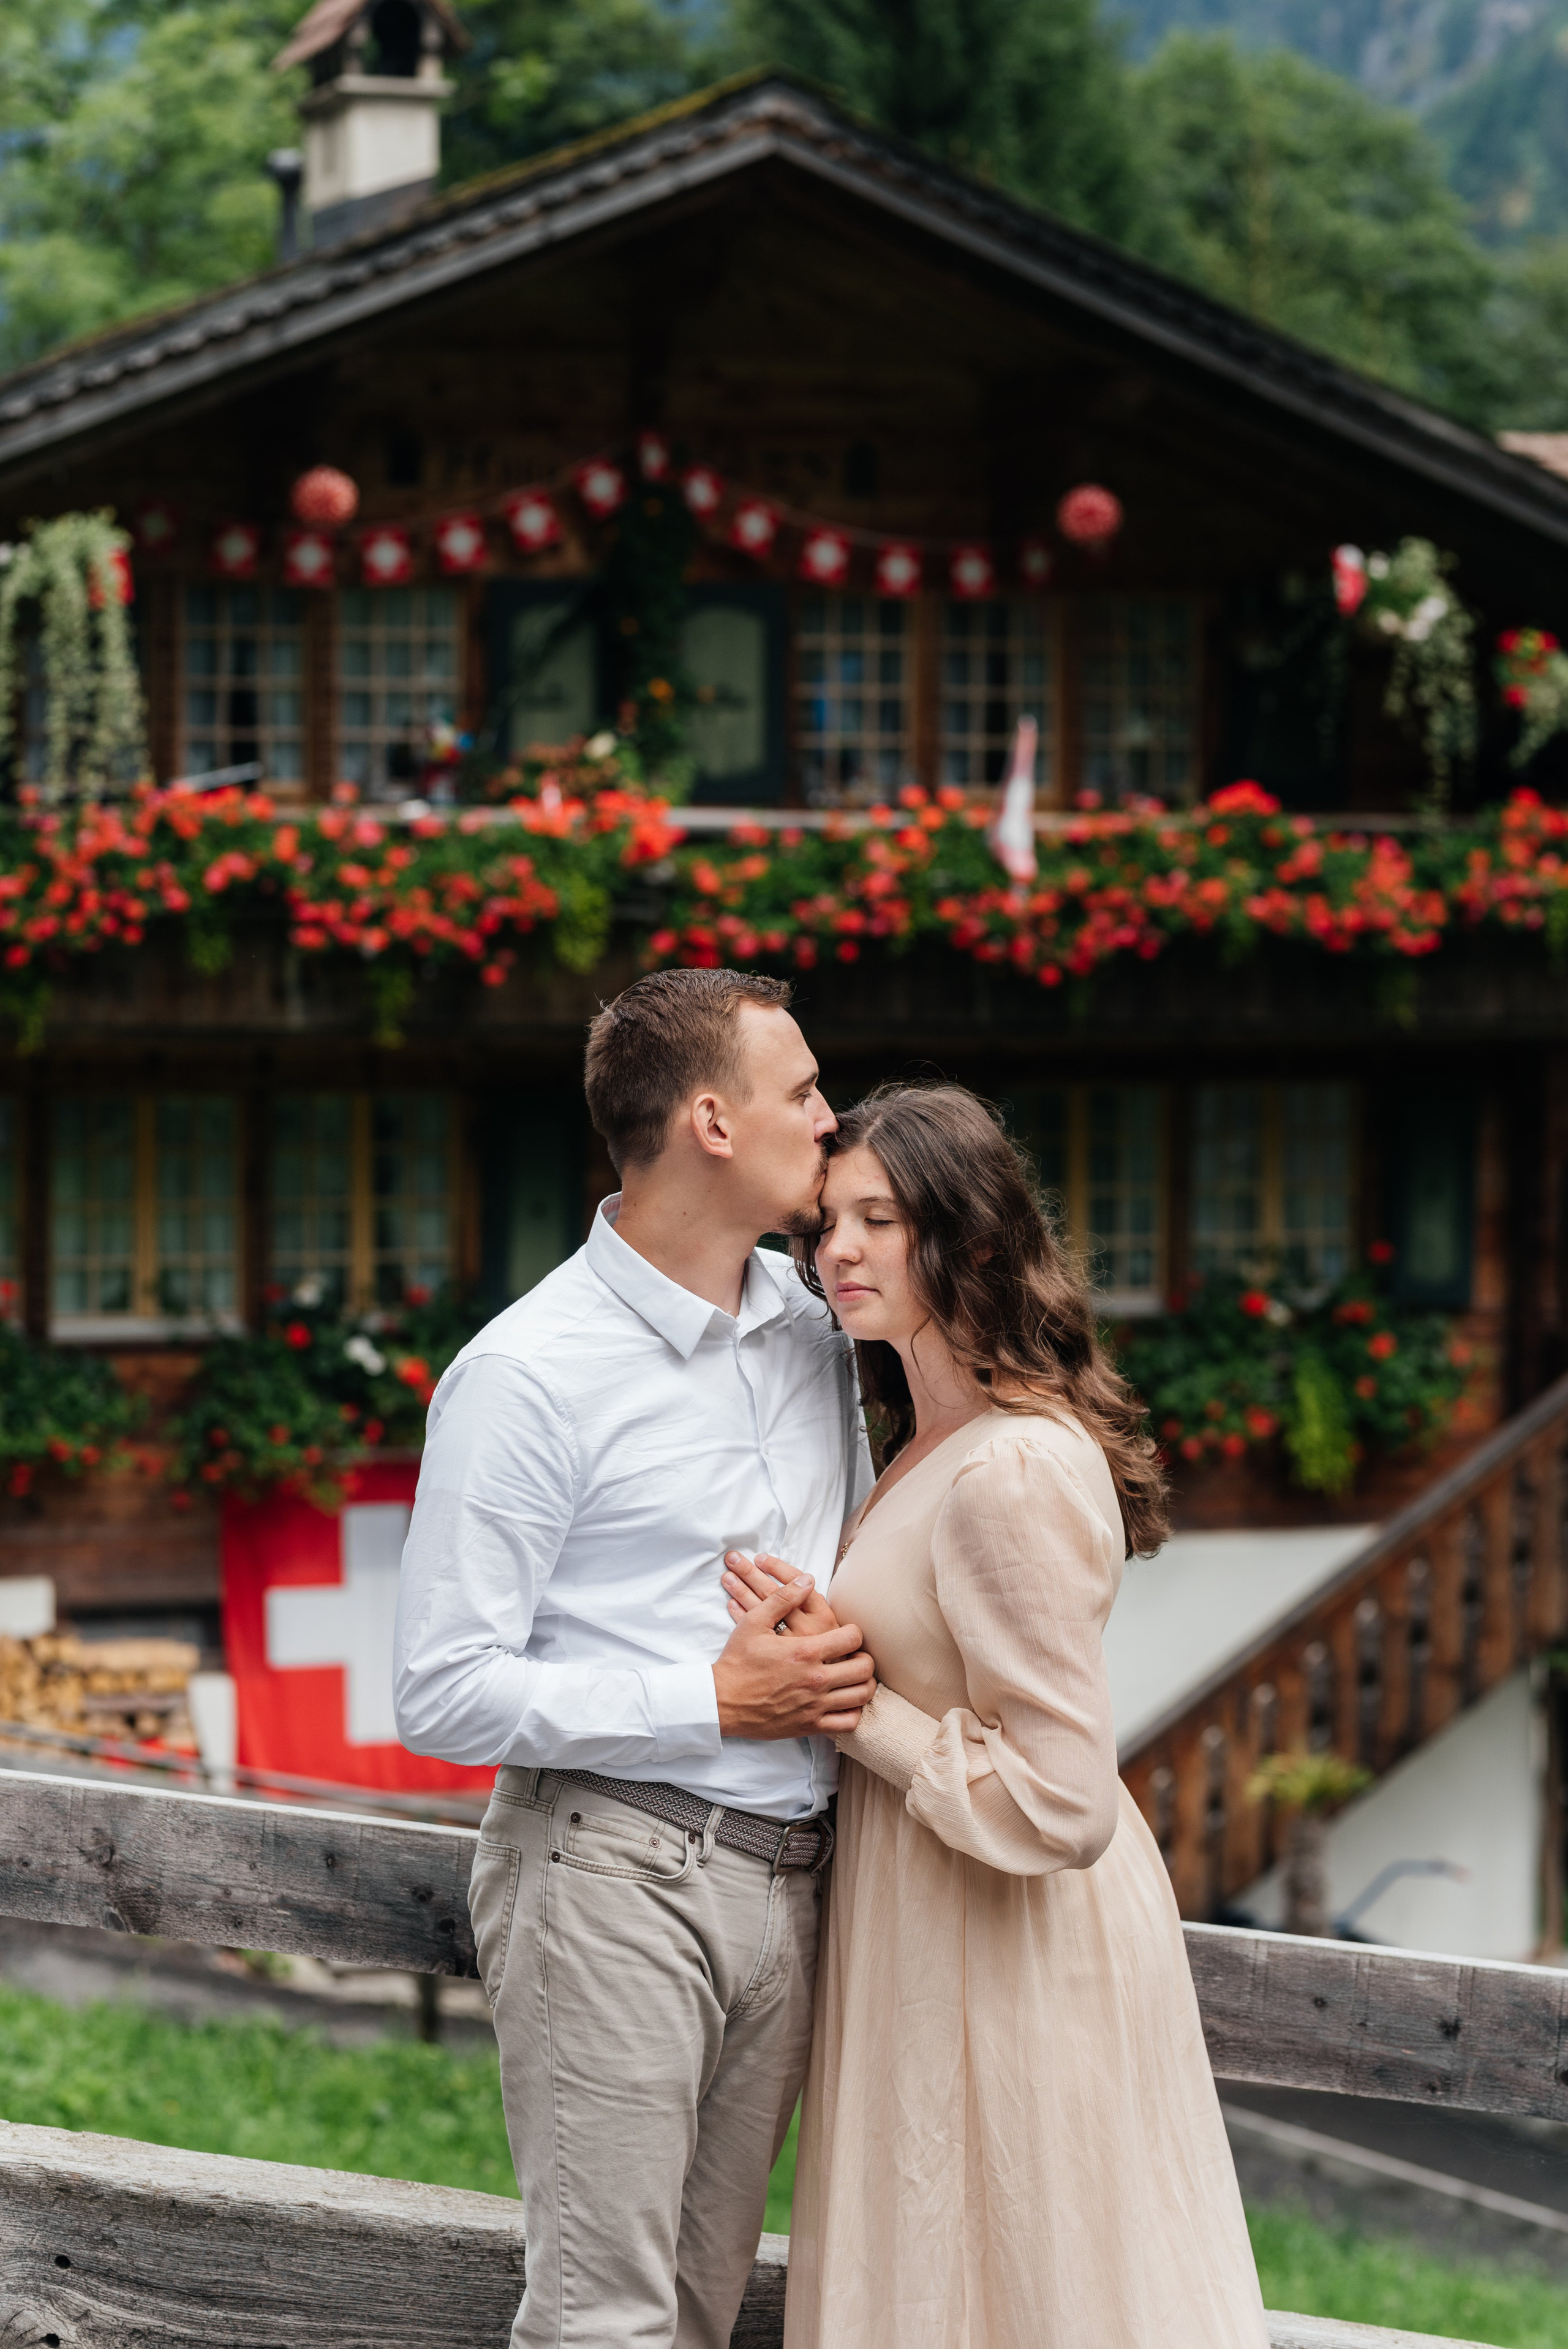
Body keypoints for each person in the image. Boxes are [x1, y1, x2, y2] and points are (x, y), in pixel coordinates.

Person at [722, 1083, 1270, 2349]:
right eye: (825, 1224)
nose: (834, 1251)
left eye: (877, 1220)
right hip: (931, 1920)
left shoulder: (1009, 1469)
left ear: (967, 1241)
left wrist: (848, 1707)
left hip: (1011, 1948)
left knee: (1031, 2287)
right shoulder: (924, 1438)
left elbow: (1065, 1801)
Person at [393, 967, 875, 2349]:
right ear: (711, 1123)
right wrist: (713, 1696)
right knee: (604, 2322)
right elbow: (441, 1688)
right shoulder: (528, 1372)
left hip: (797, 1881)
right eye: (801, 1093)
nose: (828, 1121)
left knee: (697, 2312)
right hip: (610, 1872)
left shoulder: (813, 1325)